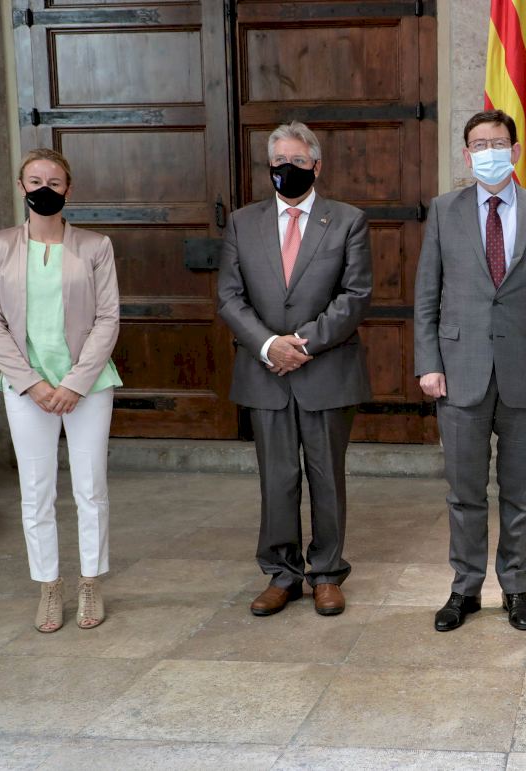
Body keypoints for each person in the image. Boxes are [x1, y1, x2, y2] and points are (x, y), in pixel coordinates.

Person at [414, 109, 526, 632]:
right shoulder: (445, 210)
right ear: (467, 155)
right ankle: (464, 589)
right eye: (479, 144)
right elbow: (427, 295)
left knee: (520, 493)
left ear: (516, 150)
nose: (489, 152)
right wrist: (428, 363)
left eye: (498, 142)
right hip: (459, 373)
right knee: (464, 493)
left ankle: (515, 589)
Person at [217, 121, 372, 617]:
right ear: (269, 167)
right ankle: (281, 574)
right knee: (277, 479)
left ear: (316, 166)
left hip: (325, 370)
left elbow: (355, 295)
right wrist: (269, 346)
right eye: (280, 161)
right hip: (265, 372)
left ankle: (326, 573)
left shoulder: (347, 220)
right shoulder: (242, 222)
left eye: (298, 161)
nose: (288, 168)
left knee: (327, 476)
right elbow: (229, 296)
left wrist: (301, 345)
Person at [0, 148, 123, 633]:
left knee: (90, 488)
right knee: (36, 490)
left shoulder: (95, 246)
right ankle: (49, 586)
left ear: (68, 189)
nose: (44, 189)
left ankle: (90, 582)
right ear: (22, 187)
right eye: (35, 181)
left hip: (88, 385)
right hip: (26, 388)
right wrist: (33, 383)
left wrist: (75, 382)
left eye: (54, 182)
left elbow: (108, 317)